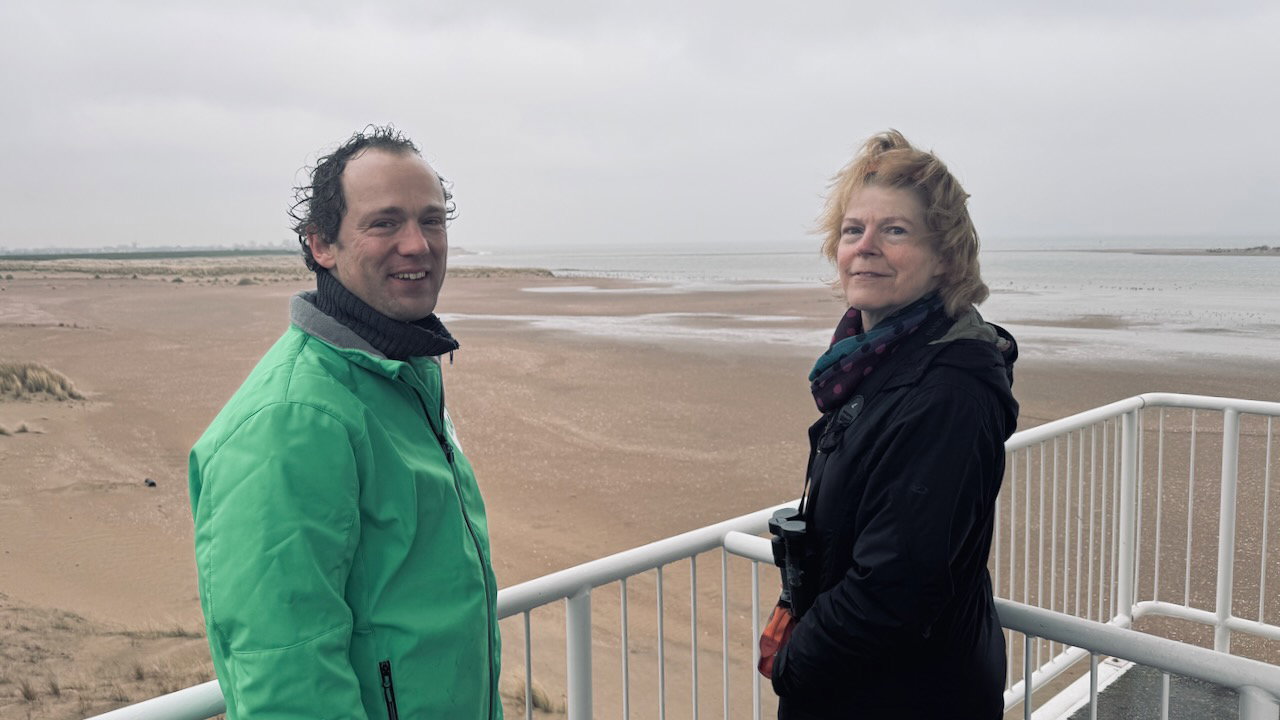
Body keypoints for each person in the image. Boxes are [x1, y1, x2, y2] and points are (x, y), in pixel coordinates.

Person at [188, 125, 502, 718]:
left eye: (431, 220)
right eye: (385, 223)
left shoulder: (401, 375)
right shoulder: (292, 420)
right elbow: (286, 675)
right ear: (321, 245)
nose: (417, 244)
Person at [766, 130, 1017, 718]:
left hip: (907, 693)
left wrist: (794, 662)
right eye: (853, 230)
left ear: (946, 257)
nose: (866, 246)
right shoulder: (876, 360)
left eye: (895, 230)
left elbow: (894, 589)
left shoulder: (949, 390)